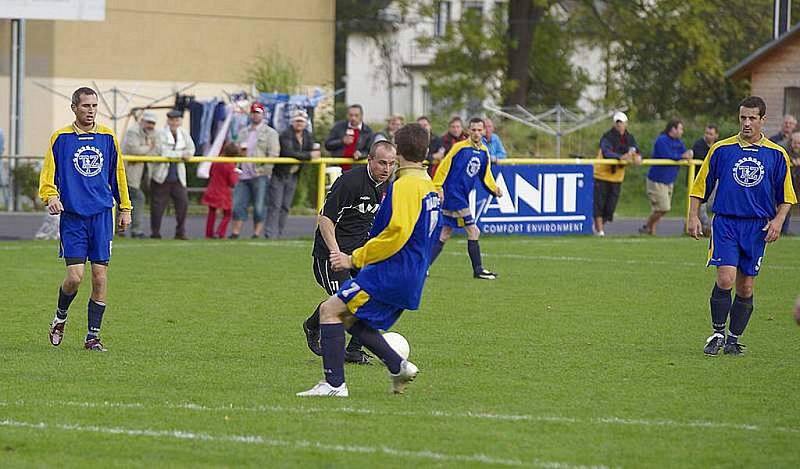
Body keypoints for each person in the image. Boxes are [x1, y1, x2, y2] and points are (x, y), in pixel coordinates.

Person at [297, 123, 440, 397]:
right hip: (410, 273)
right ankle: (396, 365)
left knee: (333, 310)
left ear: (398, 152)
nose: (387, 167)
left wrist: (355, 259)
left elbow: (396, 233)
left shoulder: (404, 186)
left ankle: (335, 384)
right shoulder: (428, 186)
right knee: (346, 314)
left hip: (388, 270)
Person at [688, 96, 796, 356]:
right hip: (726, 222)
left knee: (745, 286)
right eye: (743, 118)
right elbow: (700, 186)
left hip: (757, 227)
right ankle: (717, 333)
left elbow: (787, 197)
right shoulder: (722, 149)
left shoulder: (776, 154)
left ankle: (734, 339)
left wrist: (778, 222)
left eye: (752, 118)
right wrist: (693, 216)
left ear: (762, 120)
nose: (746, 123)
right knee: (725, 279)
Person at [40, 87, 132, 352]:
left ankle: (92, 337)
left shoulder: (107, 136)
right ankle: (60, 316)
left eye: (94, 106)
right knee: (75, 278)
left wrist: (125, 208)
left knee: (100, 277)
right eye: (85, 106)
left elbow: (118, 175)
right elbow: (48, 176)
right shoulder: (60, 138)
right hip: (73, 218)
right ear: (74, 108)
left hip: (102, 215)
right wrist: (51, 197)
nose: (91, 111)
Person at [303, 140, 395, 364]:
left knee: (379, 296)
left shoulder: (387, 185)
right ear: (369, 160)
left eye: (391, 164)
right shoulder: (350, 182)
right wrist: (335, 252)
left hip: (358, 256)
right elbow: (325, 219)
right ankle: (312, 325)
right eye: (382, 163)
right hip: (330, 255)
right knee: (349, 301)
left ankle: (354, 350)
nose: (386, 168)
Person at [428, 117, 504, 279]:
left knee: (445, 233)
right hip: (454, 196)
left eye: (479, 130)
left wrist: (494, 189)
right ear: (468, 131)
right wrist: (438, 187)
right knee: (473, 230)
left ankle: (423, 267)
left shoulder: (484, 152)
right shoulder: (459, 148)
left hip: (462, 196)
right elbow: (443, 167)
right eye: (473, 130)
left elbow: (486, 175)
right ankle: (478, 270)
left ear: (484, 131)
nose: (476, 133)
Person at [267, 111, 320, 238]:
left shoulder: (307, 135)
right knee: (275, 205)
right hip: (280, 174)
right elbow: (288, 152)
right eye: (297, 121)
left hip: (294, 174)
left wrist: (312, 153)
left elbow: (314, 150)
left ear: (306, 123)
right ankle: (270, 233)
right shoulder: (286, 134)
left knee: (285, 205)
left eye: (301, 121)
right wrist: (309, 156)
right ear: (292, 122)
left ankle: (279, 233)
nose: (299, 123)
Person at [230, 102, 280, 239]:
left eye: (258, 112)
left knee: (259, 206)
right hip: (243, 174)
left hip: (260, 174)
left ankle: (256, 234)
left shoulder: (270, 133)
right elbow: (236, 150)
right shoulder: (243, 132)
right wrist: (238, 151)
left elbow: (274, 154)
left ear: (263, 115)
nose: (255, 115)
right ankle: (235, 233)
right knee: (237, 205)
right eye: (253, 112)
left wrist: (265, 170)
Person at [640, 119, 693, 235]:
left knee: (659, 209)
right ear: (673, 129)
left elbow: (684, 153)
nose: (682, 131)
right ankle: (646, 226)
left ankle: (650, 232)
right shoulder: (662, 140)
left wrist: (688, 154)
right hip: (657, 180)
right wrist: (682, 156)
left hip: (669, 180)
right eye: (680, 129)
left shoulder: (678, 142)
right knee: (664, 208)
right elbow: (668, 155)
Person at [593, 111, 642, 236]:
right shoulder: (607, 136)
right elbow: (606, 152)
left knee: (610, 208)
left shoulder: (629, 138)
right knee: (599, 204)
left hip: (617, 177)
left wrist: (638, 156)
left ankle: (599, 228)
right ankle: (599, 231)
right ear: (614, 124)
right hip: (602, 174)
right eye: (617, 122)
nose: (619, 125)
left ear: (626, 124)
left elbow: (635, 149)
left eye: (622, 122)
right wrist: (621, 157)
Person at [149, 109, 195, 240]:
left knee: (183, 204)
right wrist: (181, 154)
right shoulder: (160, 134)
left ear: (180, 121)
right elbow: (162, 151)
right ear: (168, 121)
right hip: (161, 176)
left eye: (177, 120)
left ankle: (180, 232)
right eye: (172, 120)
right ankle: (155, 232)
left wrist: (185, 154)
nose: (174, 122)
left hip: (178, 177)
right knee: (157, 207)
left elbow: (191, 149)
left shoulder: (184, 133)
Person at [121, 110, 158, 238]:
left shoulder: (151, 133)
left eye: (152, 123)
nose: (150, 125)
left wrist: (146, 150)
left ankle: (121, 230)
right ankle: (135, 230)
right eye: (148, 122)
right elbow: (134, 150)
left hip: (142, 173)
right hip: (128, 173)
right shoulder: (133, 131)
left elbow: (156, 151)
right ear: (142, 121)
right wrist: (149, 148)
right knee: (136, 198)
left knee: (125, 201)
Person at [201, 142, 240, 239]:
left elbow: (210, 173)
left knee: (212, 212)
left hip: (212, 189)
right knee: (228, 214)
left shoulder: (216, 161)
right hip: (223, 192)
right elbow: (232, 182)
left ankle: (209, 234)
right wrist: (236, 173)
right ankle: (220, 232)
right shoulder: (230, 165)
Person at [324, 104, 374, 172]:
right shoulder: (338, 127)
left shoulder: (367, 131)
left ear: (361, 116)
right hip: (337, 167)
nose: (353, 118)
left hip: (357, 169)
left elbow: (371, 152)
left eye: (356, 115)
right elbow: (327, 144)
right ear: (347, 115)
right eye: (351, 115)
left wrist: (361, 154)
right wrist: (342, 141)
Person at [691, 124, 719, 233]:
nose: (708, 136)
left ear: (716, 135)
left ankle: (707, 227)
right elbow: (705, 158)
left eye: (711, 134)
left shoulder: (718, 146)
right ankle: (706, 228)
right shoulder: (699, 144)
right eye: (706, 133)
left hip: (713, 181)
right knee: (700, 206)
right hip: (700, 181)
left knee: (712, 204)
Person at [781, 131, 800, 235]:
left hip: (797, 186)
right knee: (784, 207)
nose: (796, 145)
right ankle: (783, 231)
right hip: (787, 185)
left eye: (799, 143)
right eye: (795, 143)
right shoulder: (785, 152)